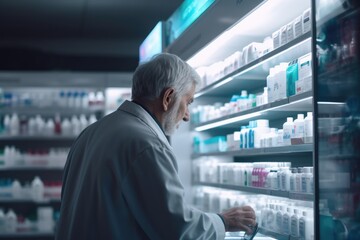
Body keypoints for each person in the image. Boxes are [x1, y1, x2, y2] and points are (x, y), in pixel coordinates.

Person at [55, 53, 257, 240]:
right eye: (188, 102)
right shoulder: (147, 144)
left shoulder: (91, 132)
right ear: (168, 98)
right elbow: (177, 230)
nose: (187, 115)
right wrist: (223, 222)